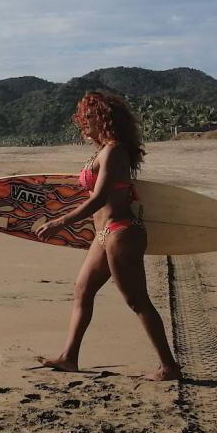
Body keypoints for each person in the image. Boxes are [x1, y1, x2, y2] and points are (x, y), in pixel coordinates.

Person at [32, 91, 181, 381]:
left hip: (120, 233)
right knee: (82, 291)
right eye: (82, 119)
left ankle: (169, 366)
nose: (83, 124)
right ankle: (69, 357)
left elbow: (99, 197)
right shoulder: (104, 150)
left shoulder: (115, 151)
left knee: (137, 301)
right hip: (103, 235)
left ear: (104, 120)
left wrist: (60, 222)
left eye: (88, 118)